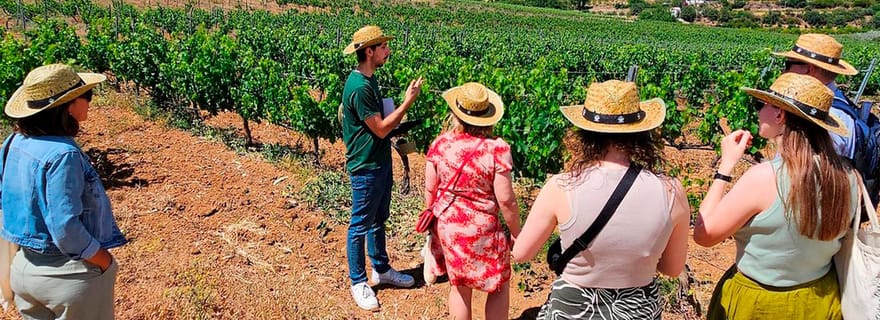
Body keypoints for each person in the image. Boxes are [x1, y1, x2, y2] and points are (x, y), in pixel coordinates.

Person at [512, 80, 690, 319]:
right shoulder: (671, 191)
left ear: (583, 133)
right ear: (642, 132)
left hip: (573, 310)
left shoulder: (560, 186)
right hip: (638, 311)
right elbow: (672, 268)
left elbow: (522, 254)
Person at [694, 73, 859, 320]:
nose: (759, 112)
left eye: (762, 105)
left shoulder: (763, 177)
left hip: (761, 303)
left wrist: (725, 167)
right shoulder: (848, 177)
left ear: (780, 115)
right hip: (820, 300)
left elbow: (704, 235)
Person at [0, 63, 125, 319]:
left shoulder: (13, 142)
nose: (90, 101)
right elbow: (65, 228)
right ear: (68, 106)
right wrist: (104, 261)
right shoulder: (62, 155)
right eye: (86, 96)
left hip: (24, 269)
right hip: (68, 275)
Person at [340, 25, 424, 311]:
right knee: (359, 223)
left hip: (379, 161)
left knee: (378, 219)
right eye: (384, 47)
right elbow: (378, 129)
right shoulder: (360, 87)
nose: (388, 51)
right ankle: (358, 282)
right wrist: (407, 103)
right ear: (369, 51)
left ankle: (382, 270)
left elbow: (381, 126)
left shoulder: (370, 80)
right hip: (365, 165)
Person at [423, 82, 521, 320]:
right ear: (488, 116)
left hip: (450, 228)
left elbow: (430, 189)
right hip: (484, 230)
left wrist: (431, 220)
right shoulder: (497, 148)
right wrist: (517, 232)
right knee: (498, 285)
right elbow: (506, 201)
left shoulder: (441, 143)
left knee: (459, 286)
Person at [774, 33, 859, 160]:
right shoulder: (840, 104)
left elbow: (801, 172)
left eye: (788, 65)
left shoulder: (823, 116)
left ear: (809, 69)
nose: (784, 71)